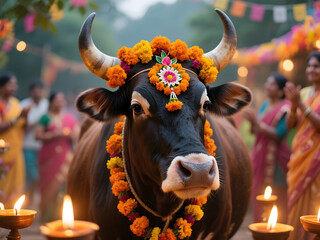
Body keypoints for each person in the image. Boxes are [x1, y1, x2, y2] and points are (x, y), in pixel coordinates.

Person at [243, 73, 291, 223]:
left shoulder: (286, 108)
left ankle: (278, 226)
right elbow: (255, 131)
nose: (267, 86)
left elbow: (279, 134)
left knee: (277, 193)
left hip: (276, 158)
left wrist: (257, 124)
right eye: (267, 83)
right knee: (259, 191)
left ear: (280, 91)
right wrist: (252, 123)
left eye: (271, 84)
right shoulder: (264, 105)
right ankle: (261, 226)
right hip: (260, 154)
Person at [284, 51, 320, 240]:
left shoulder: (302, 97)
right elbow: (291, 125)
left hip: (316, 159)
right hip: (300, 155)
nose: (311, 70)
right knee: (295, 199)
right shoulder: (304, 92)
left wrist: (300, 104)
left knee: (315, 200)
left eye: (316, 66)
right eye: (310, 66)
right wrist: (292, 105)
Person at [35, 91, 79, 221]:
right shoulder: (45, 117)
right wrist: (55, 134)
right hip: (48, 157)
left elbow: (77, 134)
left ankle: (60, 217)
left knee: (63, 185)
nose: (60, 102)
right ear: (51, 102)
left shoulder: (69, 118)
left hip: (65, 156)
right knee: (47, 184)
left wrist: (71, 135)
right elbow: (37, 136)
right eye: (57, 100)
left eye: (62, 99)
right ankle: (47, 217)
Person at [0, 72, 30, 207]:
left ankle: (11, 218)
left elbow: (24, 127)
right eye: (10, 84)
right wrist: (18, 118)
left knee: (16, 187)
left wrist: (25, 116)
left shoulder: (16, 103)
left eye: (15, 84)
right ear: (1, 86)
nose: (14, 87)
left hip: (17, 151)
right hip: (3, 153)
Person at [20, 81, 48, 207]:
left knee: (41, 176)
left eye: (39, 89)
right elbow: (22, 127)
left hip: (43, 147)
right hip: (28, 146)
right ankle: (26, 202)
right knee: (32, 176)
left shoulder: (47, 105)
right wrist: (38, 121)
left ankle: (36, 203)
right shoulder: (24, 105)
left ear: (42, 91)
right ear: (30, 92)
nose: (37, 92)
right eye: (34, 89)